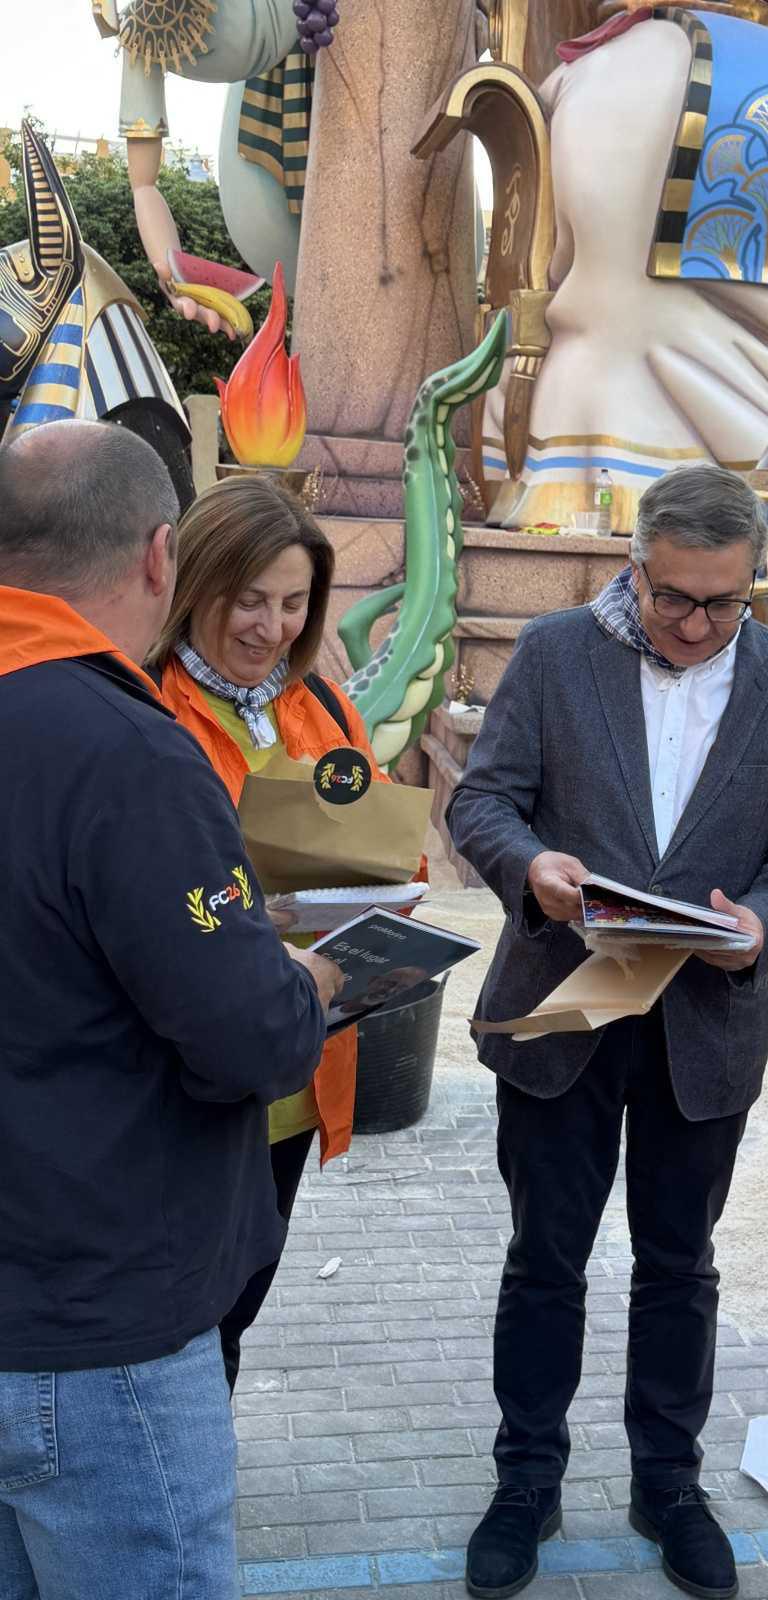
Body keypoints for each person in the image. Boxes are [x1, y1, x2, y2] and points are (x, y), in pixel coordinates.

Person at [447, 463, 768, 1600]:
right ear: (637, 564)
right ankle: (525, 1479)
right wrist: (534, 866)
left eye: (725, 603)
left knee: (681, 1268)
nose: (698, 624)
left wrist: (762, 923)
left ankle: (668, 1484)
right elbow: (483, 801)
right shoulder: (557, 652)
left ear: (753, 586)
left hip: (702, 1023)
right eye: (675, 598)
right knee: (544, 1264)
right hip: (566, 1007)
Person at [0, 419, 340, 1599]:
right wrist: (307, 982)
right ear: (162, 558)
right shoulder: (127, 748)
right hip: (97, 1327)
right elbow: (248, 1036)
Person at [149, 472, 392, 1391]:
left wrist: (383, 908)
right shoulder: (142, 705)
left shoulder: (322, 711)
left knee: (241, 1302)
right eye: (247, 599)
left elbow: (383, 858)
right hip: (184, 1085)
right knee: (179, 1324)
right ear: (191, 583)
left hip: (293, 1072)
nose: (271, 627)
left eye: (294, 603)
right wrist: (245, 914)